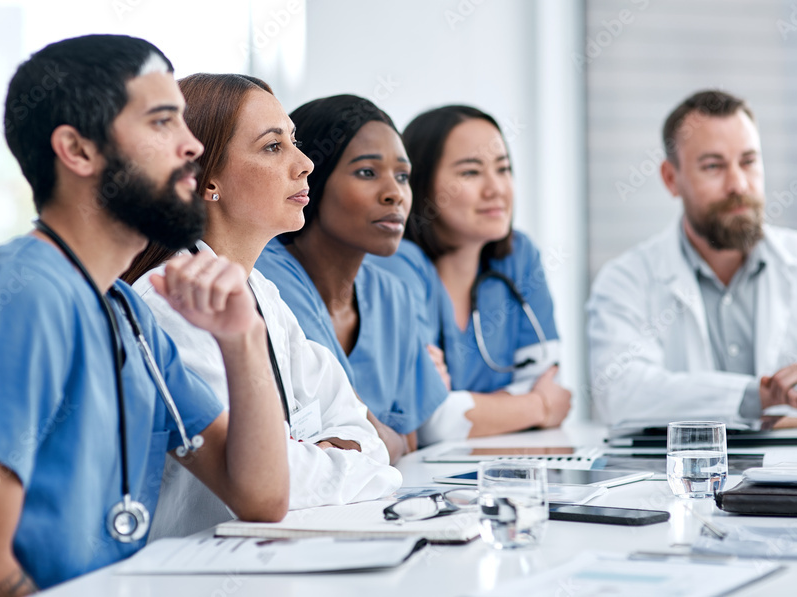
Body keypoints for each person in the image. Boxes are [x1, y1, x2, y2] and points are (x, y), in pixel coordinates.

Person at [0, 35, 290, 597]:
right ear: (78, 151)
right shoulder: (23, 295)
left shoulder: (126, 311)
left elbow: (261, 496)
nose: (191, 147)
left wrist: (244, 336)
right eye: (162, 123)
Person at [121, 77, 400, 540]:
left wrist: (321, 454)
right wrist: (322, 456)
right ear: (205, 178)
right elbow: (271, 484)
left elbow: (365, 438)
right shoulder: (171, 303)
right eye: (273, 147)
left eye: (295, 142)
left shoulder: (261, 293)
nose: (306, 164)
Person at [587, 89, 797, 427]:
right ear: (670, 178)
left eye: (748, 162)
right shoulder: (626, 280)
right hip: (679, 481)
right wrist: (765, 396)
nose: (737, 183)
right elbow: (619, 394)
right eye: (713, 166)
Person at [255, 95, 458, 449]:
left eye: (403, 176)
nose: (395, 194)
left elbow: (406, 439)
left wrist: (379, 441)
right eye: (367, 172)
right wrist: (380, 441)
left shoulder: (392, 296)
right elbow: (344, 441)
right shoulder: (267, 276)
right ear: (310, 180)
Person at [368, 105, 571, 437]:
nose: (496, 189)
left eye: (503, 169)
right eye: (471, 173)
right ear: (419, 183)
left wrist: (461, 409)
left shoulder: (519, 257)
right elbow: (424, 420)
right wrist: (538, 406)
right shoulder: (395, 263)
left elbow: (551, 382)